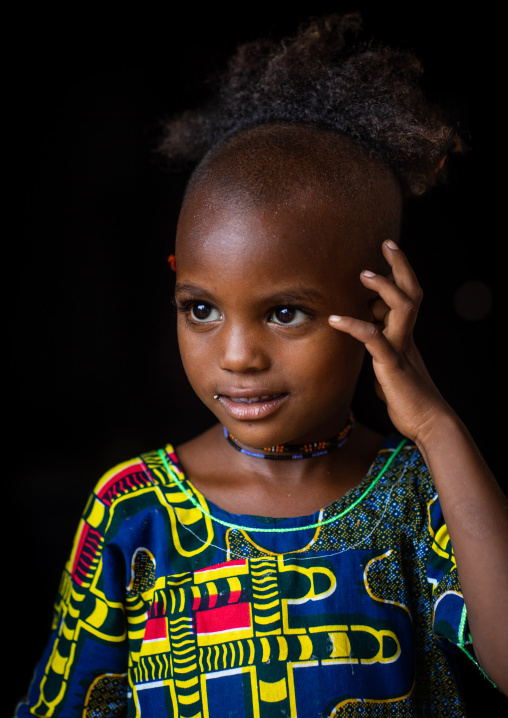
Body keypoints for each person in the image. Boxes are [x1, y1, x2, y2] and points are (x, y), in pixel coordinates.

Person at [16, 13, 507, 717]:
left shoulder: (421, 495)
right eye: (202, 309)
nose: (237, 356)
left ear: (378, 305)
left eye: (284, 313)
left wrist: (433, 423)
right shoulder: (132, 514)